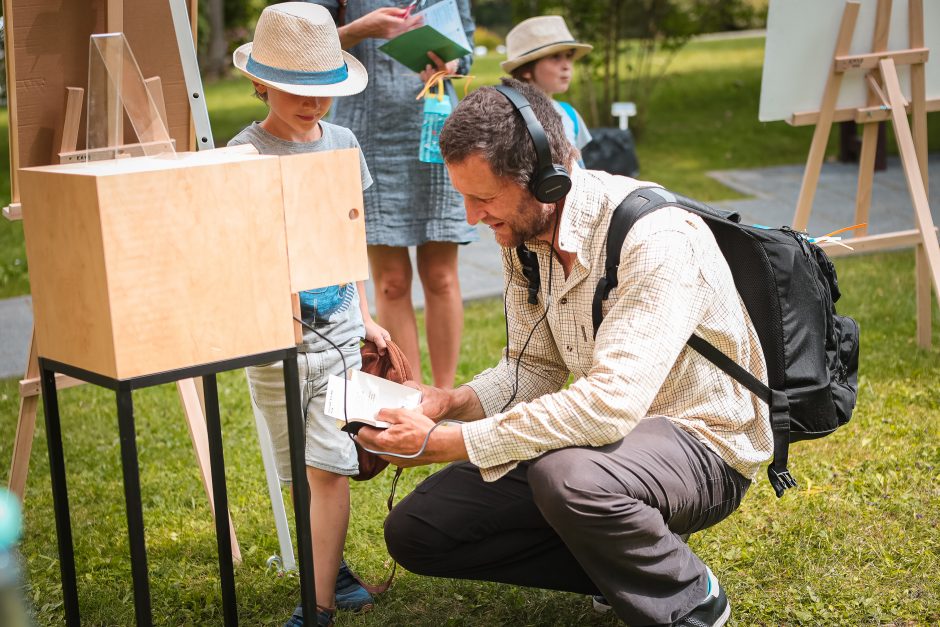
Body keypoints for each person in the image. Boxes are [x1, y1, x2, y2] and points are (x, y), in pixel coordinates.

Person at [356, 79, 773, 627]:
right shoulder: (524, 237)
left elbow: (609, 406)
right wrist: (448, 401)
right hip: (605, 448)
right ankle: (618, 567)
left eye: (483, 198)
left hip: (704, 443)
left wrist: (450, 443)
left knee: (568, 477)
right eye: (463, 196)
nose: (470, 216)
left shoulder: (657, 238)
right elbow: (533, 368)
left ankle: (692, 600)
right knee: (419, 531)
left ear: (546, 179)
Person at [228, 4, 391, 626]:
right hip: (277, 346)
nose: (311, 104)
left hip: (342, 338)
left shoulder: (343, 144)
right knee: (297, 467)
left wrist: (368, 314)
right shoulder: (246, 154)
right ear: (262, 81)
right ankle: (334, 571)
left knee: (330, 466)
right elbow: (241, 250)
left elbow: (352, 236)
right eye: (297, 90)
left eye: (322, 91)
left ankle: (317, 607)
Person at [312, 0, 478, 389]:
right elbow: (304, 47)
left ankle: (444, 396)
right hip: (368, 131)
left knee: (441, 276)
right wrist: (361, 29)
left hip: (436, 126)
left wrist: (452, 65)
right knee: (391, 281)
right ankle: (412, 395)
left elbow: (465, 44)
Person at [503, 15, 593, 162]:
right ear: (526, 69)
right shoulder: (506, 117)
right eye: (555, 57)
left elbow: (580, 172)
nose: (566, 66)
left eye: (569, 56)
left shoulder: (570, 114)